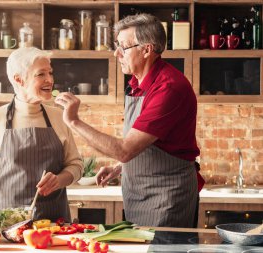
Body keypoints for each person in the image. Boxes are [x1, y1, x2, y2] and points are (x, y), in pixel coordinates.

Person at [55, 13, 204, 228]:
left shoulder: (168, 88)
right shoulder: (137, 82)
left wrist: (74, 121)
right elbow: (149, 142)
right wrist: (121, 167)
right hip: (140, 193)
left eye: (123, 47)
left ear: (146, 50)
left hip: (168, 198)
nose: (116, 53)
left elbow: (125, 150)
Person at [0, 47, 83, 222]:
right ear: (19, 79)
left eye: (50, 73)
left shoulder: (59, 117)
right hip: (5, 223)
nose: (50, 80)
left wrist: (59, 180)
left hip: (53, 224)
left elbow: (76, 166)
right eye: (41, 74)